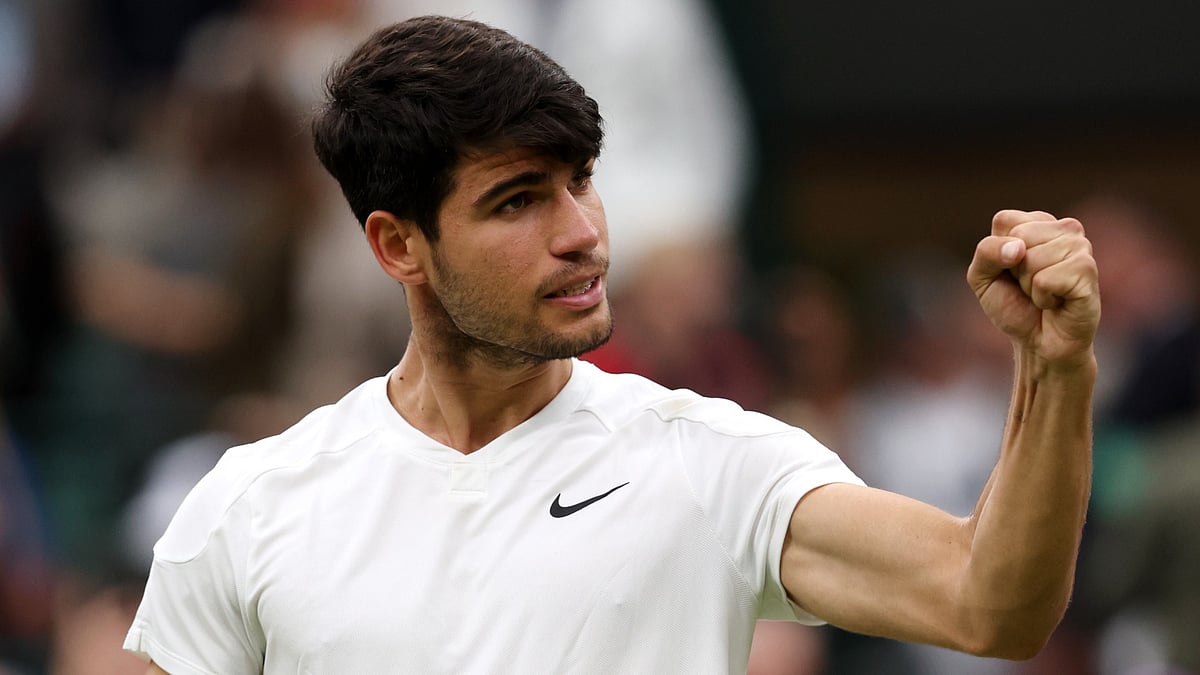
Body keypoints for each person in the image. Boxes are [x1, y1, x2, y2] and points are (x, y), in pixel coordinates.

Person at [122, 15, 1100, 674]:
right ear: (398, 246)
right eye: (517, 201)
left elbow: (989, 603)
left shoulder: (713, 463)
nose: (583, 232)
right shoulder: (248, 508)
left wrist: (1054, 369)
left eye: (581, 180)